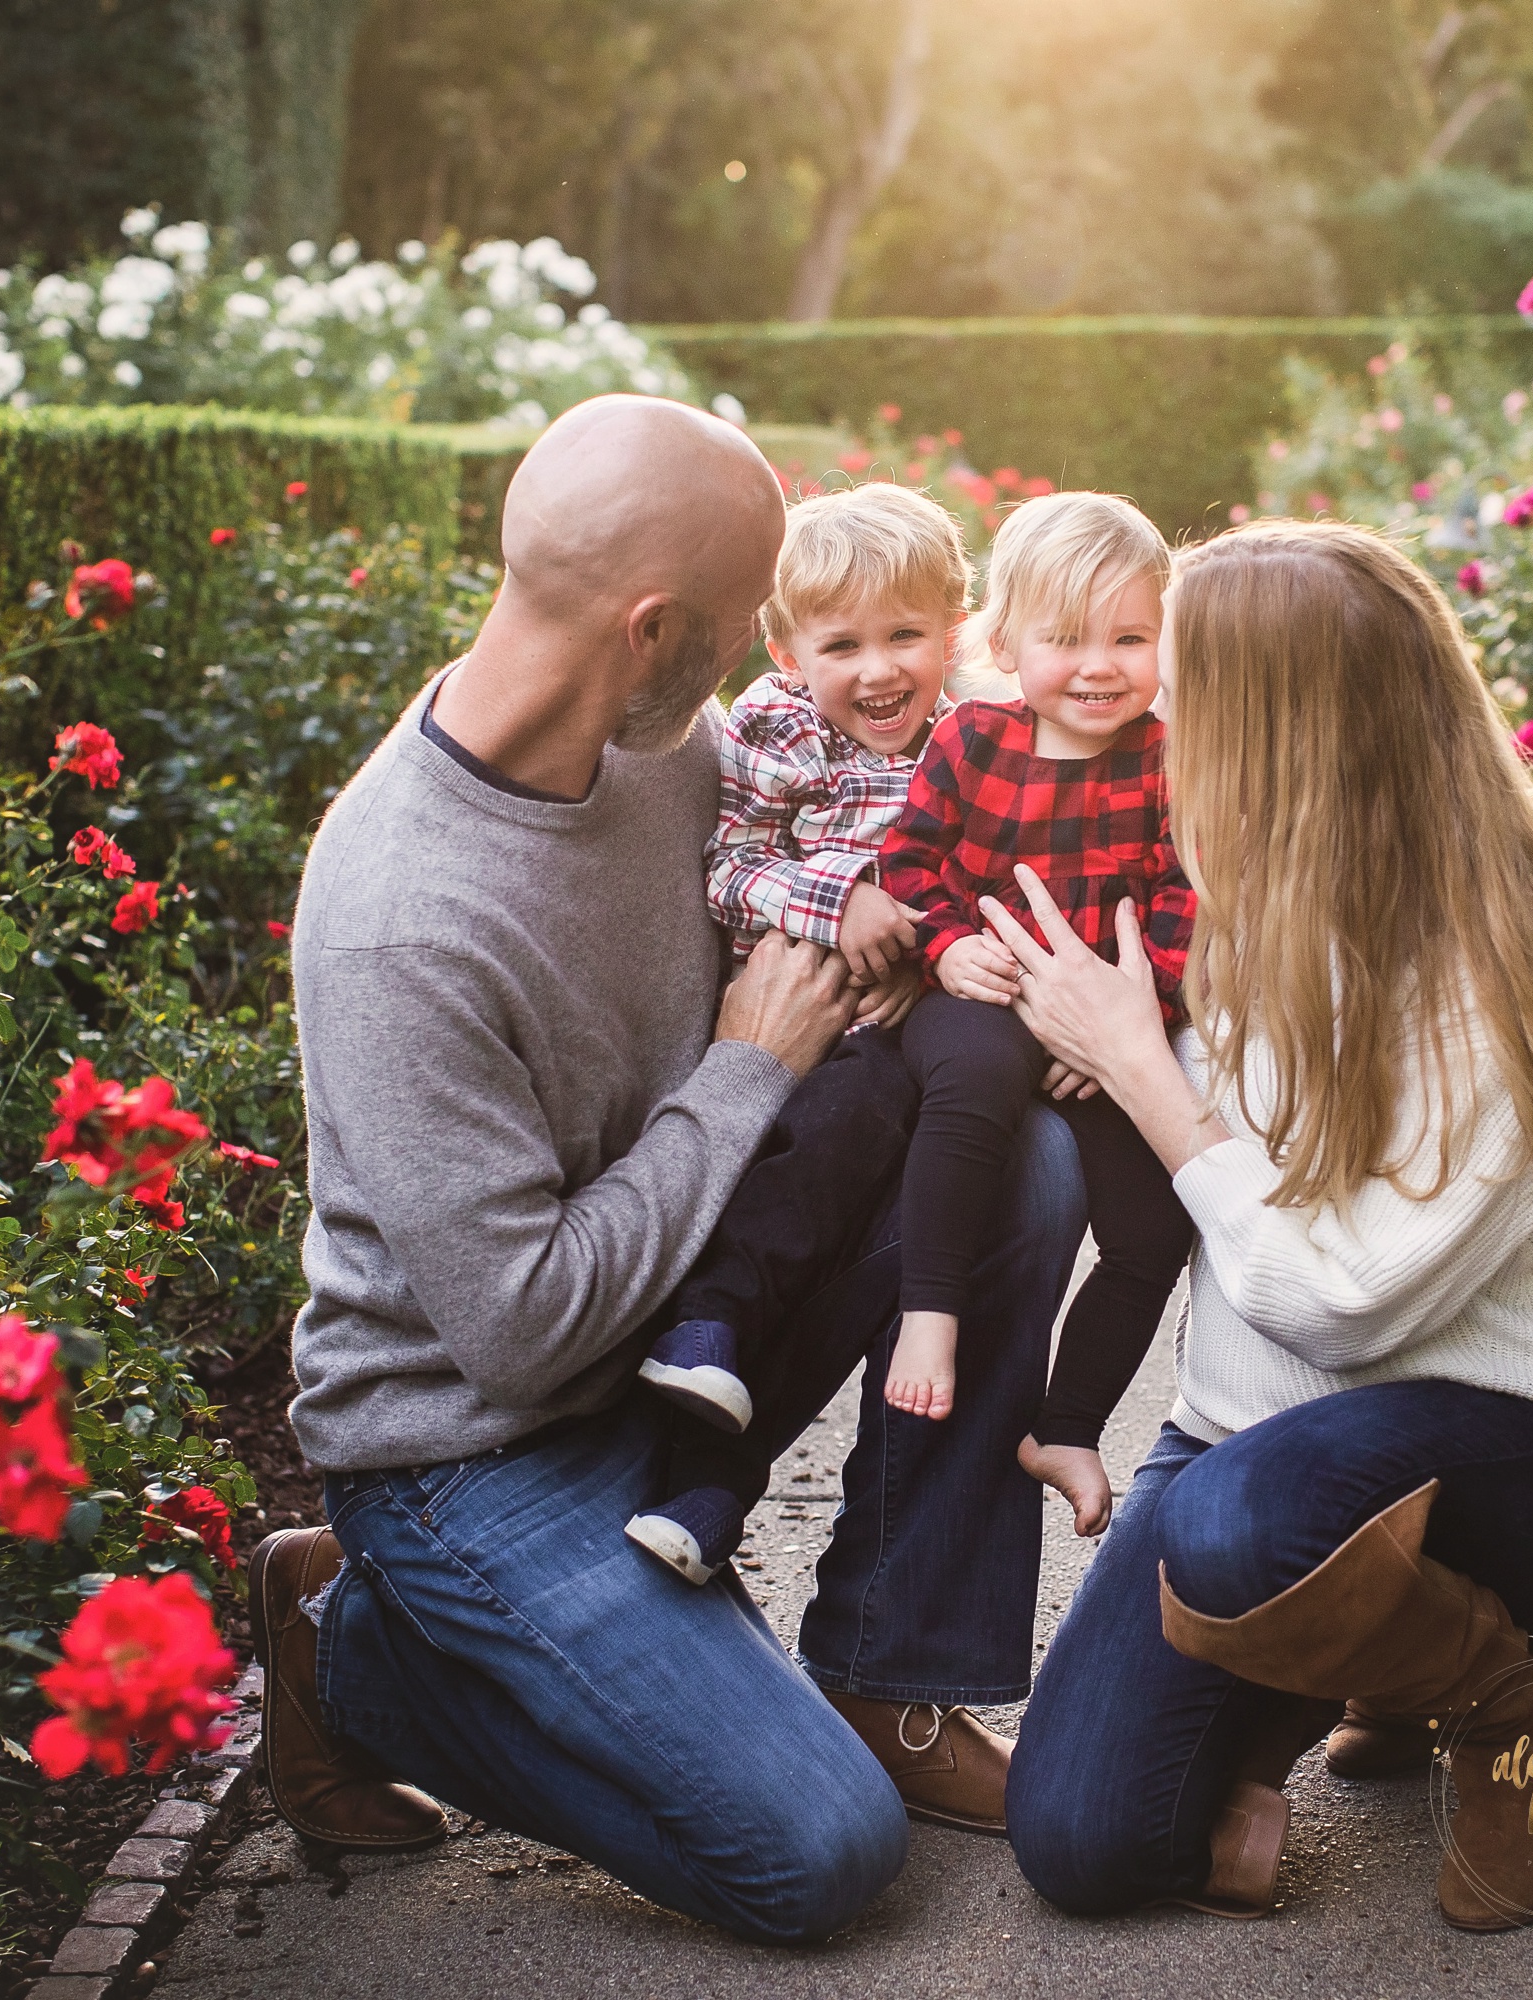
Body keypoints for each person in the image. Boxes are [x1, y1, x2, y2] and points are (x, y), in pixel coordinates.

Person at [250, 397, 1087, 1946]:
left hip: (677, 1331)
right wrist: (751, 1066)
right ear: (652, 629)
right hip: (475, 1447)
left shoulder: (680, 753)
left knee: (1016, 1163)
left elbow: (887, 840)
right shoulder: (402, 919)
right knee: (814, 1856)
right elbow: (519, 1328)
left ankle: (888, 1669)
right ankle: (349, 1642)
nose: (773, 676)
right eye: (742, 630)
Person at [994, 519, 1533, 1933]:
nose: (1154, 727)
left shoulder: (1502, 966)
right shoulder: (1220, 893)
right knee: (1083, 1845)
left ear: (1279, 731)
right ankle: (1372, 1662)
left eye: (1183, 698)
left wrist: (1150, 1081)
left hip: (1502, 1451)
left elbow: (1346, 1305)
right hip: (1248, 1442)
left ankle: (1503, 1709)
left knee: (1247, 1521)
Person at [624, 481, 965, 1586]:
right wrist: (844, 906)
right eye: (843, 642)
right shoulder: (782, 728)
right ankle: (708, 1320)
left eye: (906, 634)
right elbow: (731, 870)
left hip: (907, 1028)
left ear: (953, 627)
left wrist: (934, 950)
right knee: (817, 1165)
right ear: (786, 646)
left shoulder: (974, 735)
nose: (879, 669)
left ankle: (713, 1483)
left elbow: (1005, 867)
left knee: (875, 1239)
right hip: (799, 1004)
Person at [877, 492, 1201, 1538]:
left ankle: (1067, 1423)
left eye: (1129, 636)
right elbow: (911, 860)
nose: (1098, 664)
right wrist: (943, 942)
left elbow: (1180, 900)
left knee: (1156, 1227)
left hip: (1100, 1032)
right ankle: (928, 1317)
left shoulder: (1163, 760)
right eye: (1065, 638)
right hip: (981, 994)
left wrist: (1127, 1023)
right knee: (968, 1086)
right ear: (1004, 641)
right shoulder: (973, 738)